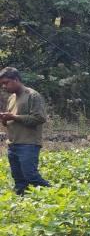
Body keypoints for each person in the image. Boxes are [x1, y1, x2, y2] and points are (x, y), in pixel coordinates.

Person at [0, 67, 51, 195]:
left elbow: (39, 118)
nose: (4, 86)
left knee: (31, 176)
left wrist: (13, 117)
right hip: (13, 144)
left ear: (16, 80)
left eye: (6, 83)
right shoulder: (11, 98)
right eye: (2, 84)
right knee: (19, 180)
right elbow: (11, 120)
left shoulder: (32, 95)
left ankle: (56, 194)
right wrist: (4, 119)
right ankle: (22, 202)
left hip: (28, 143)